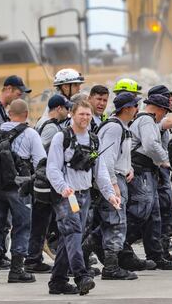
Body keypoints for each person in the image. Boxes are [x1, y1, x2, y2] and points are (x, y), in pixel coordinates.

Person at [46, 100, 119, 295]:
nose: (85, 118)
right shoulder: (61, 138)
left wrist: (110, 195)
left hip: (85, 195)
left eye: (88, 114)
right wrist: (63, 188)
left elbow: (100, 171)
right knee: (73, 233)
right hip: (65, 196)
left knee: (68, 236)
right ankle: (81, 276)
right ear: (72, 114)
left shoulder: (94, 140)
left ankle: (58, 281)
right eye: (81, 114)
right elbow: (52, 168)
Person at [0, 99, 46, 283]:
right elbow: (41, 162)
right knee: (22, 227)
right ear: (26, 115)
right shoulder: (30, 133)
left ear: (9, 113)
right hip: (20, 189)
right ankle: (16, 271)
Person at [120, 94, 172, 271]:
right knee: (141, 212)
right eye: (164, 112)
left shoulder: (145, 120)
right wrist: (165, 160)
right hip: (141, 171)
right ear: (160, 109)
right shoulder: (147, 121)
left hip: (147, 171)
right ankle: (121, 246)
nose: (163, 116)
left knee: (153, 216)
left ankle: (156, 255)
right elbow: (150, 145)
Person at [85, 92, 141, 280]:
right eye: (134, 106)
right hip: (112, 181)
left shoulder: (121, 127)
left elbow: (120, 155)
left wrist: (128, 167)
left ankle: (84, 252)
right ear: (126, 109)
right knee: (115, 223)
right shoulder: (114, 128)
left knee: (110, 223)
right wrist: (114, 185)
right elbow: (106, 159)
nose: (136, 109)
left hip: (117, 177)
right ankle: (111, 267)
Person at [24, 94, 72, 273]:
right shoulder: (51, 128)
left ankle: (34, 258)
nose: (68, 113)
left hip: (42, 179)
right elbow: (47, 155)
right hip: (46, 181)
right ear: (58, 108)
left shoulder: (42, 122)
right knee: (42, 221)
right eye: (67, 109)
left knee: (42, 221)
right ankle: (33, 260)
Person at [147, 85, 172, 266]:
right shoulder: (153, 120)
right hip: (157, 170)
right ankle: (158, 253)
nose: (170, 101)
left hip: (162, 170)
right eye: (167, 98)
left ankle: (163, 250)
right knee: (159, 212)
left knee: (166, 210)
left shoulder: (156, 120)